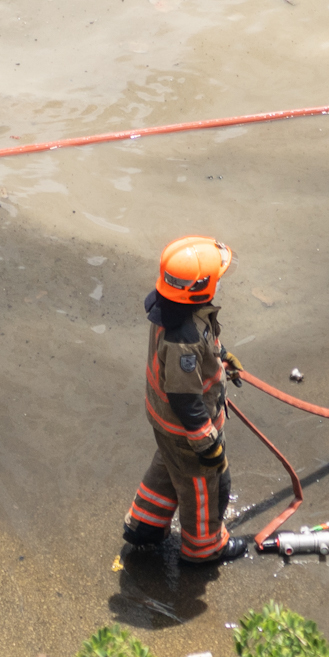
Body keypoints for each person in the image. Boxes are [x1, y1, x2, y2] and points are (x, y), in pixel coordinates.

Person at [122, 235, 251, 567]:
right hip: (186, 427)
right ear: (203, 287)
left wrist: (221, 356)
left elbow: (202, 343)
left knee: (171, 465)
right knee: (204, 484)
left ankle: (145, 524)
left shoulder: (170, 305)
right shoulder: (184, 339)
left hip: (165, 423)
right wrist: (206, 442)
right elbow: (184, 396)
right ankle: (204, 548)